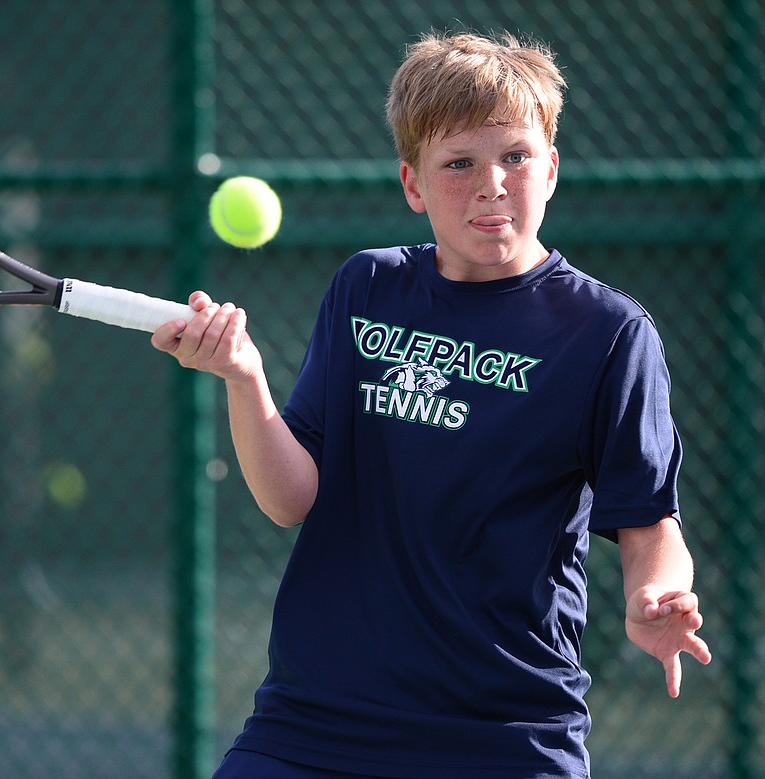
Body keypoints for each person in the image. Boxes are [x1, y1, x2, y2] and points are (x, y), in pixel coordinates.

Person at [151, 30, 711, 779]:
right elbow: (292, 499)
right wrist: (245, 377)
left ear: (550, 167)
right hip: (314, 723)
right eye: (459, 164)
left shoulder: (609, 334)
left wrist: (657, 591)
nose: (492, 184)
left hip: (505, 739)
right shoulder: (367, 288)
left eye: (515, 155)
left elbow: (648, 523)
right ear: (413, 185)